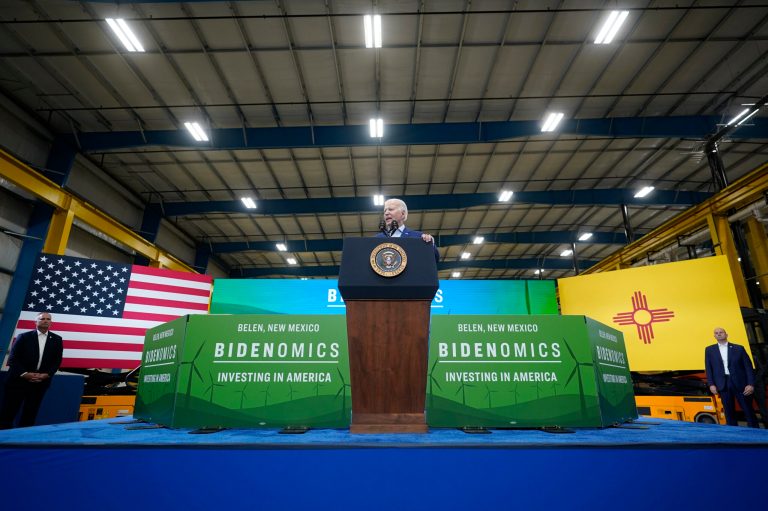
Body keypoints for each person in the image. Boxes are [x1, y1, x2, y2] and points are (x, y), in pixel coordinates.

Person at [0, 311, 63, 429]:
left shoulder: (57, 339)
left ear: (51, 322)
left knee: (30, 415)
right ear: (36, 322)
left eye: (48, 319)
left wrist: (47, 374)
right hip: (18, 382)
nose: (45, 321)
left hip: (40, 383)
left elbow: (57, 361)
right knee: (8, 414)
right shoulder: (24, 337)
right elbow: (13, 359)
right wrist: (25, 374)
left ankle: (25, 438)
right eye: (42, 319)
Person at [704, 327, 759, 428]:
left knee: (748, 409)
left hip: (741, 383)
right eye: (716, 333)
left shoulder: (739, 348)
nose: (719, 334)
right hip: (723, 384)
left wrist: (751, 384)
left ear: (726, 334)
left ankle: (755, 431)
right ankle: (733, 432)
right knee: (728, 412)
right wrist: (711, 384)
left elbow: (748, 367)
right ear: (714, 336)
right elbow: (709, 368)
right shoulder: (709, 350)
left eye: (721, 332)